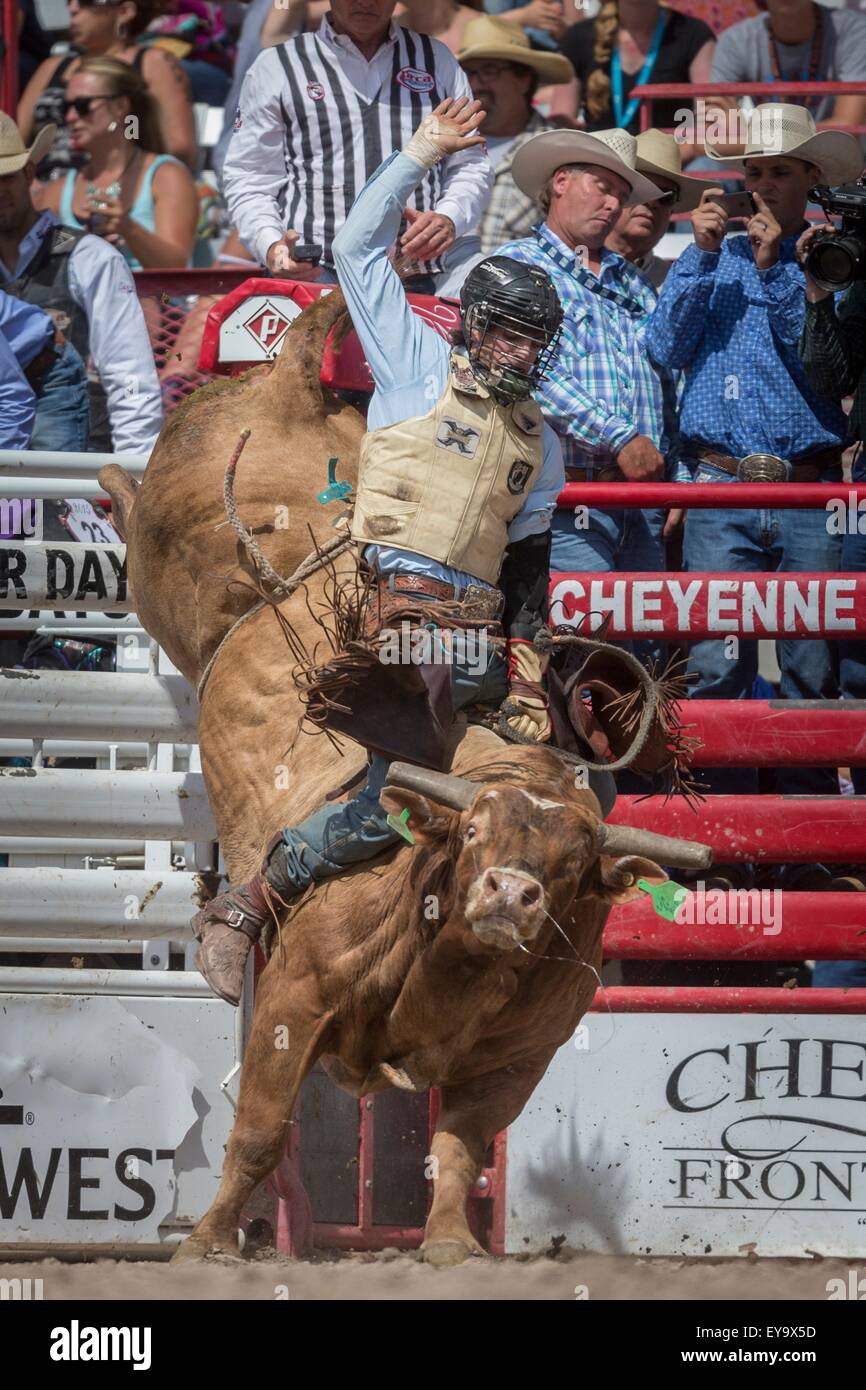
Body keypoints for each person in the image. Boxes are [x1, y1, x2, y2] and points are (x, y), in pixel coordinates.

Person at [192, 98, 567, 1007]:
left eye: (534, 340)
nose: (519, 351)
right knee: (412, 792)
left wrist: (528, 667)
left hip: (472, 632)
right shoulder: (411, 365)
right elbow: (360, 252)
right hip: (386, 606)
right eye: (507, 332)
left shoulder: (540, 442)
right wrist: (419, 154)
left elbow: (527, 567)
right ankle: (256, 899)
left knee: (551, 772)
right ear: (473, 326)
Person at [645, 104, 864, 804]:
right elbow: (663, 348)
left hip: (807, 487)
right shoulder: (704, 257)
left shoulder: (833, 259)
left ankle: (805, 839)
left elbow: (827, 371)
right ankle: (723, 828)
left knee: (810, 669)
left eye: (780, 173)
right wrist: (706, 253)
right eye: (755, 173)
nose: (765, 186)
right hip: (721, 483)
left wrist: (772, 269)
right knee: (715, 665)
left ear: (809, 180)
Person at [494, 126, 681, 616]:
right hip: (564, 495)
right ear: (560, 182)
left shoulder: (637, 286)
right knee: (588, 643)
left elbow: (666, 384)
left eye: (622, 194)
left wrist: (672, 473)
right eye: (603, 186)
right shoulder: (515, 266)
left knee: (641, 647)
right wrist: (621, 438)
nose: (613, 204)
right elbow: (525, 370)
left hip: (638, 498)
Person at [220, 0, 492, 292]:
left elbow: (470, 163)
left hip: (415, 275)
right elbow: (250, 176)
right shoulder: (277, 66)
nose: (365, 1)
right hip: (314, 274)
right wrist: (271, 244)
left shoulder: (437, 60)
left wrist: (449, 216)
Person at [0, 112, 162, 455]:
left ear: (29, 174)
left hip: (83, 455)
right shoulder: (88, 255)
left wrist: (133, 471)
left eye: (5, 178)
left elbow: (129, 373)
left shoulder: (90, 257)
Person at [35, 57, 199, 271]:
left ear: (121, 106)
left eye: (82, 105)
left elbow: (176, 268)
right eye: (66, 106)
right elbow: (39, 265)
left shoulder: (166, 176)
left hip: (154, 301)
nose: (70, 116)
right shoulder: (58, 191)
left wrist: (129, 229)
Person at [18, 0, 197, 179]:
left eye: (86, 1)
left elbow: (180, 150)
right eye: (69, 1)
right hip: (43, 192)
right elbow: (16, 142)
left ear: (125, 11)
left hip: (123, 190)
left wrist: (116, 182)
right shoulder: (52, 67)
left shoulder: (154, 63)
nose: (72, 8)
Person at [458, 14, 575, 254]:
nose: (476, 84)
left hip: (516, 290)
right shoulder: (444, 143)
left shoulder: (558, 151)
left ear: (523, 80)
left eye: (489, 71)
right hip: (437, 287)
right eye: (468, 72)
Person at [551, 0, 715, 157]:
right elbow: (563, 120)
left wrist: (657, 164)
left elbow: (710, 124)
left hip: (671, 166)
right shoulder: (577, 37)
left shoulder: (694, 34)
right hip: (601, 166)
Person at [710, 0, 866, 137]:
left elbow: (848, 128)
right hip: (761, 159)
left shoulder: (854, 30)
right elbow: (715, 133)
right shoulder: (734, 40)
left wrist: (750, 134)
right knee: (702, 167)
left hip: (830, 160)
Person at [605, 127, 705, 287]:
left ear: (671, 210)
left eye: (666, 196)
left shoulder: (674, 283)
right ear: (618, 195)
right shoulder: (578, 261)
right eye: (642, 190)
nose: (651, 202)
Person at [0, 282, 89, 452]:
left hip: (47, 372)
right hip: (14, 379)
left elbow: (12, 396)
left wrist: (5, 469)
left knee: (51, 474)